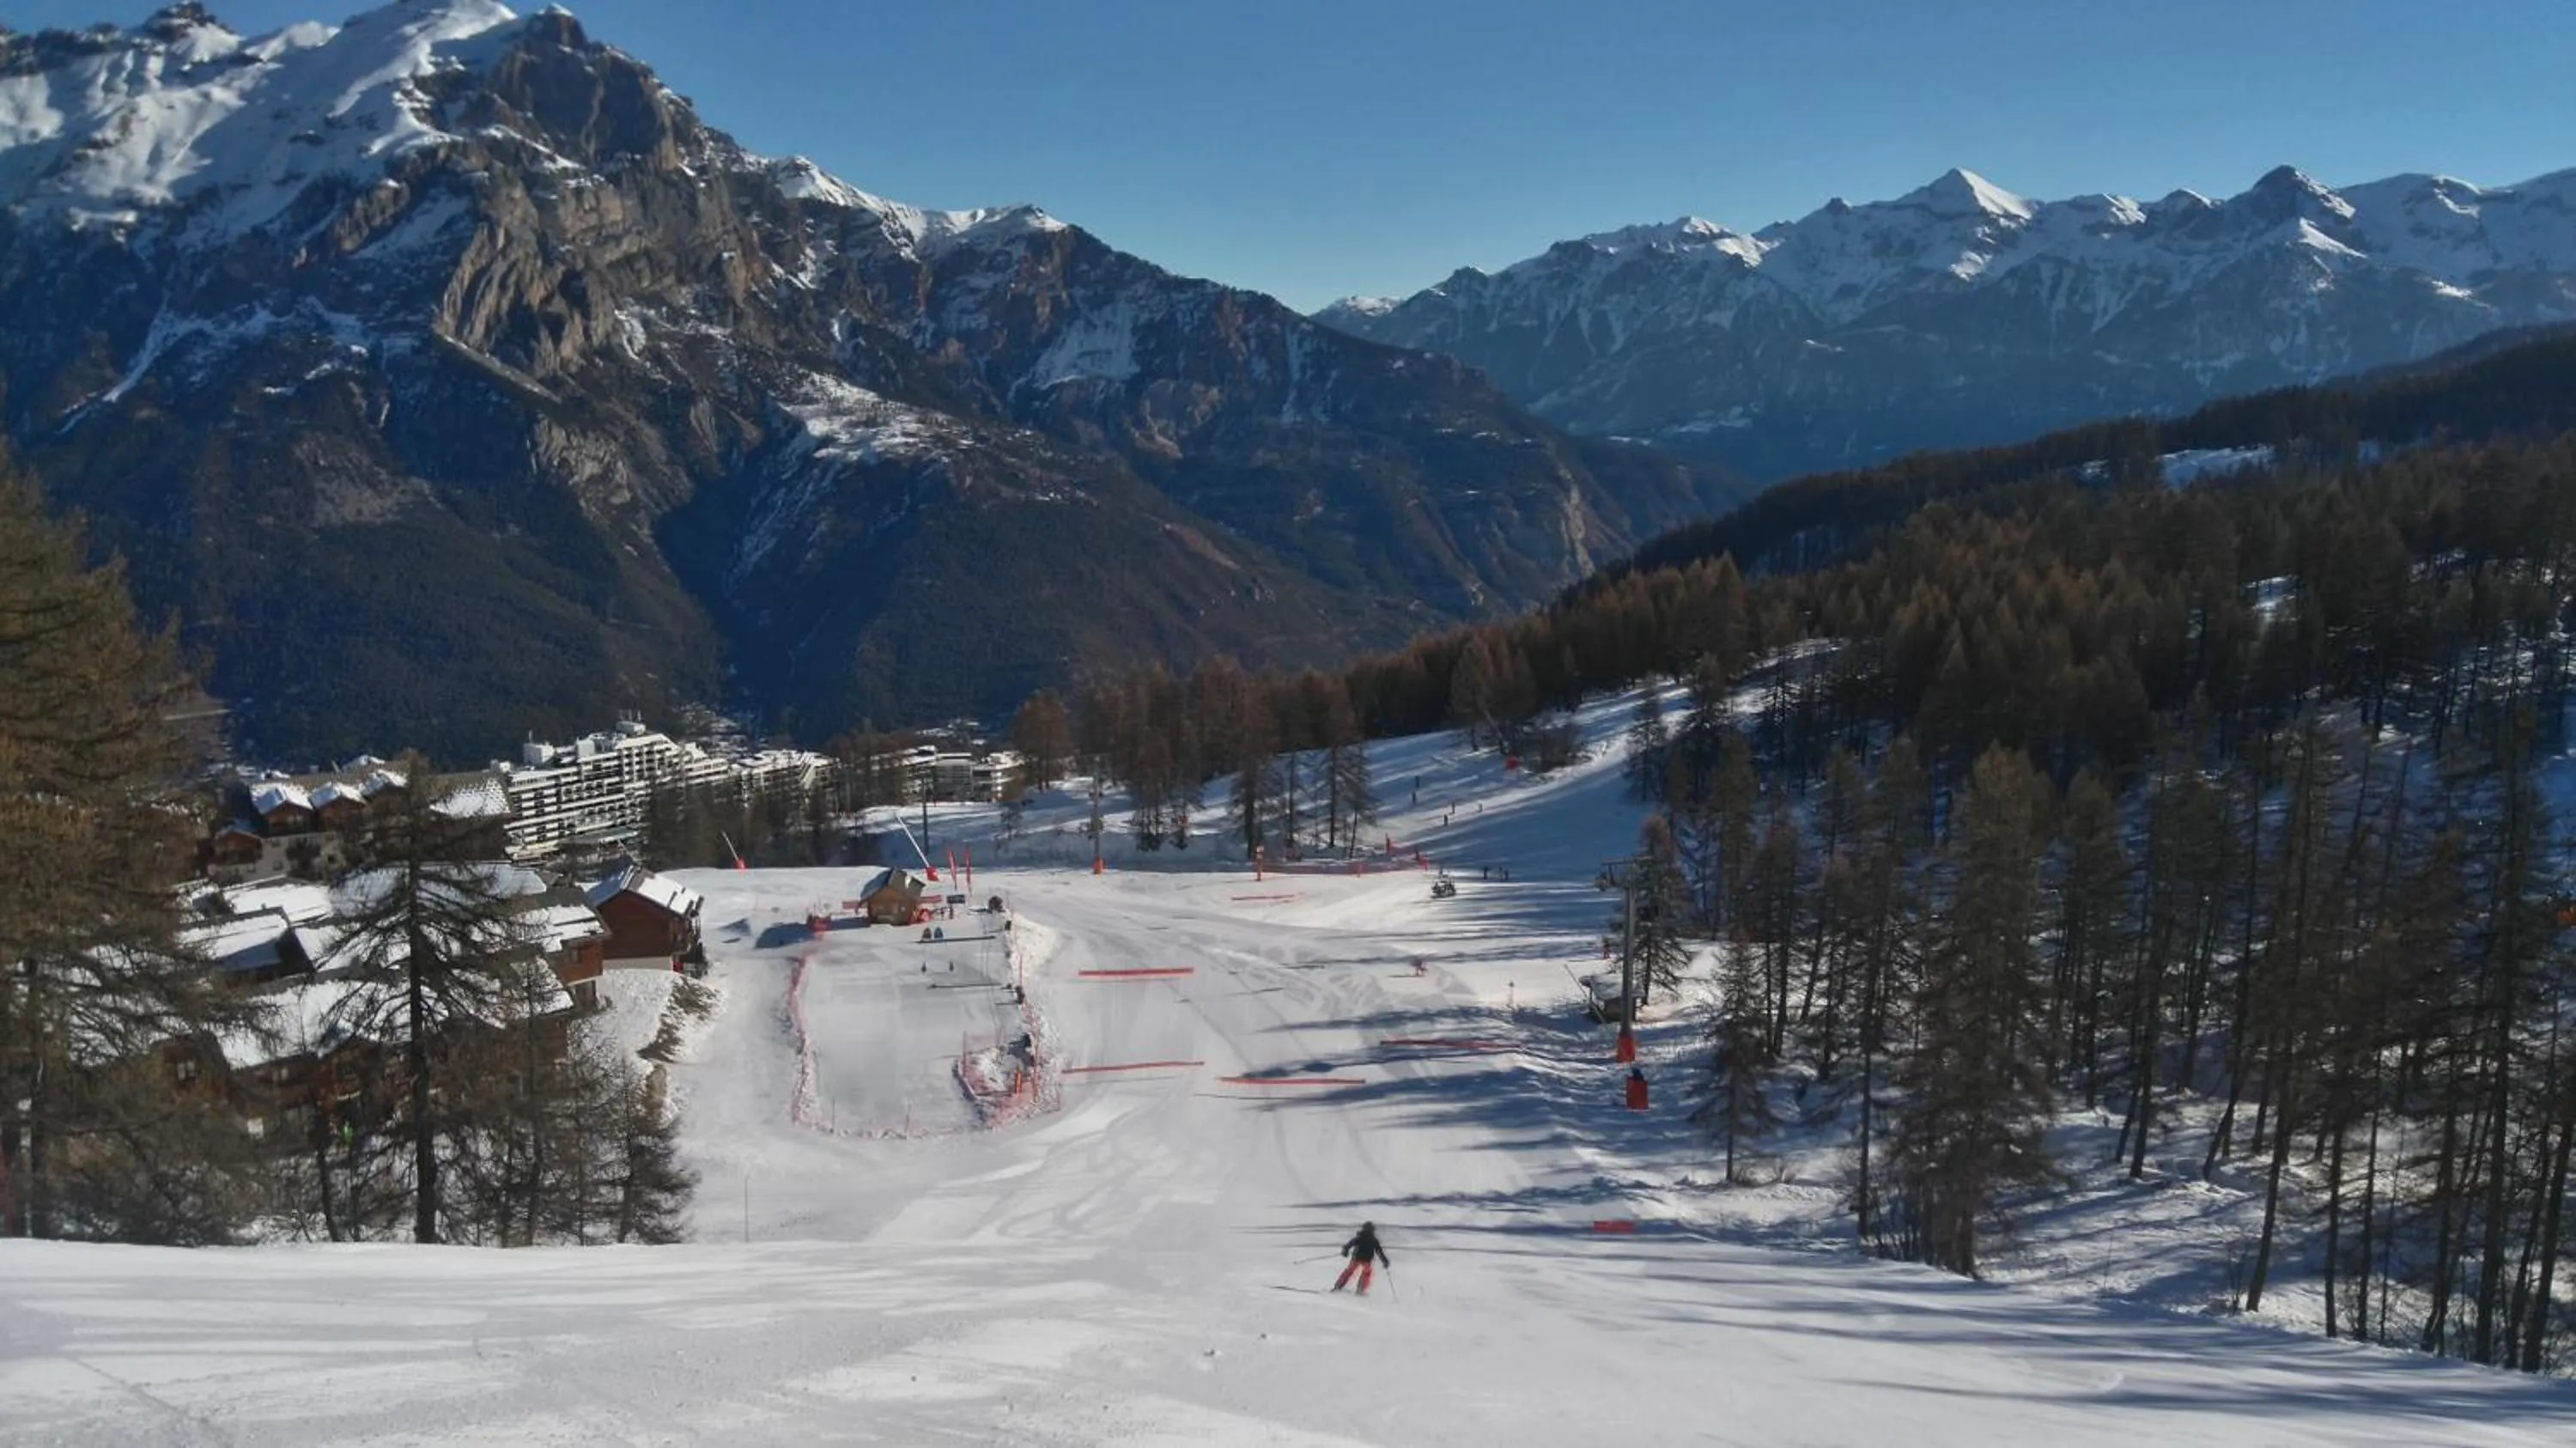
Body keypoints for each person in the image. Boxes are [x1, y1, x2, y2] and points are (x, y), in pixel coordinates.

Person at [1333, 1221, 1390, 1294]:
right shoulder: (1374, 1240)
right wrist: (1385, 1261)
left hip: (1356, 1258)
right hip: (1367, 1260)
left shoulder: (1360, 1237)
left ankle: (1338, 1286)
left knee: (1349, 1272)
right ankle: (1360, 1290)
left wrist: (1345, 1250)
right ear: (1372, 1230)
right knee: (1366, 1273)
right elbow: (1379, 1251)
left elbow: (1350, 1244)